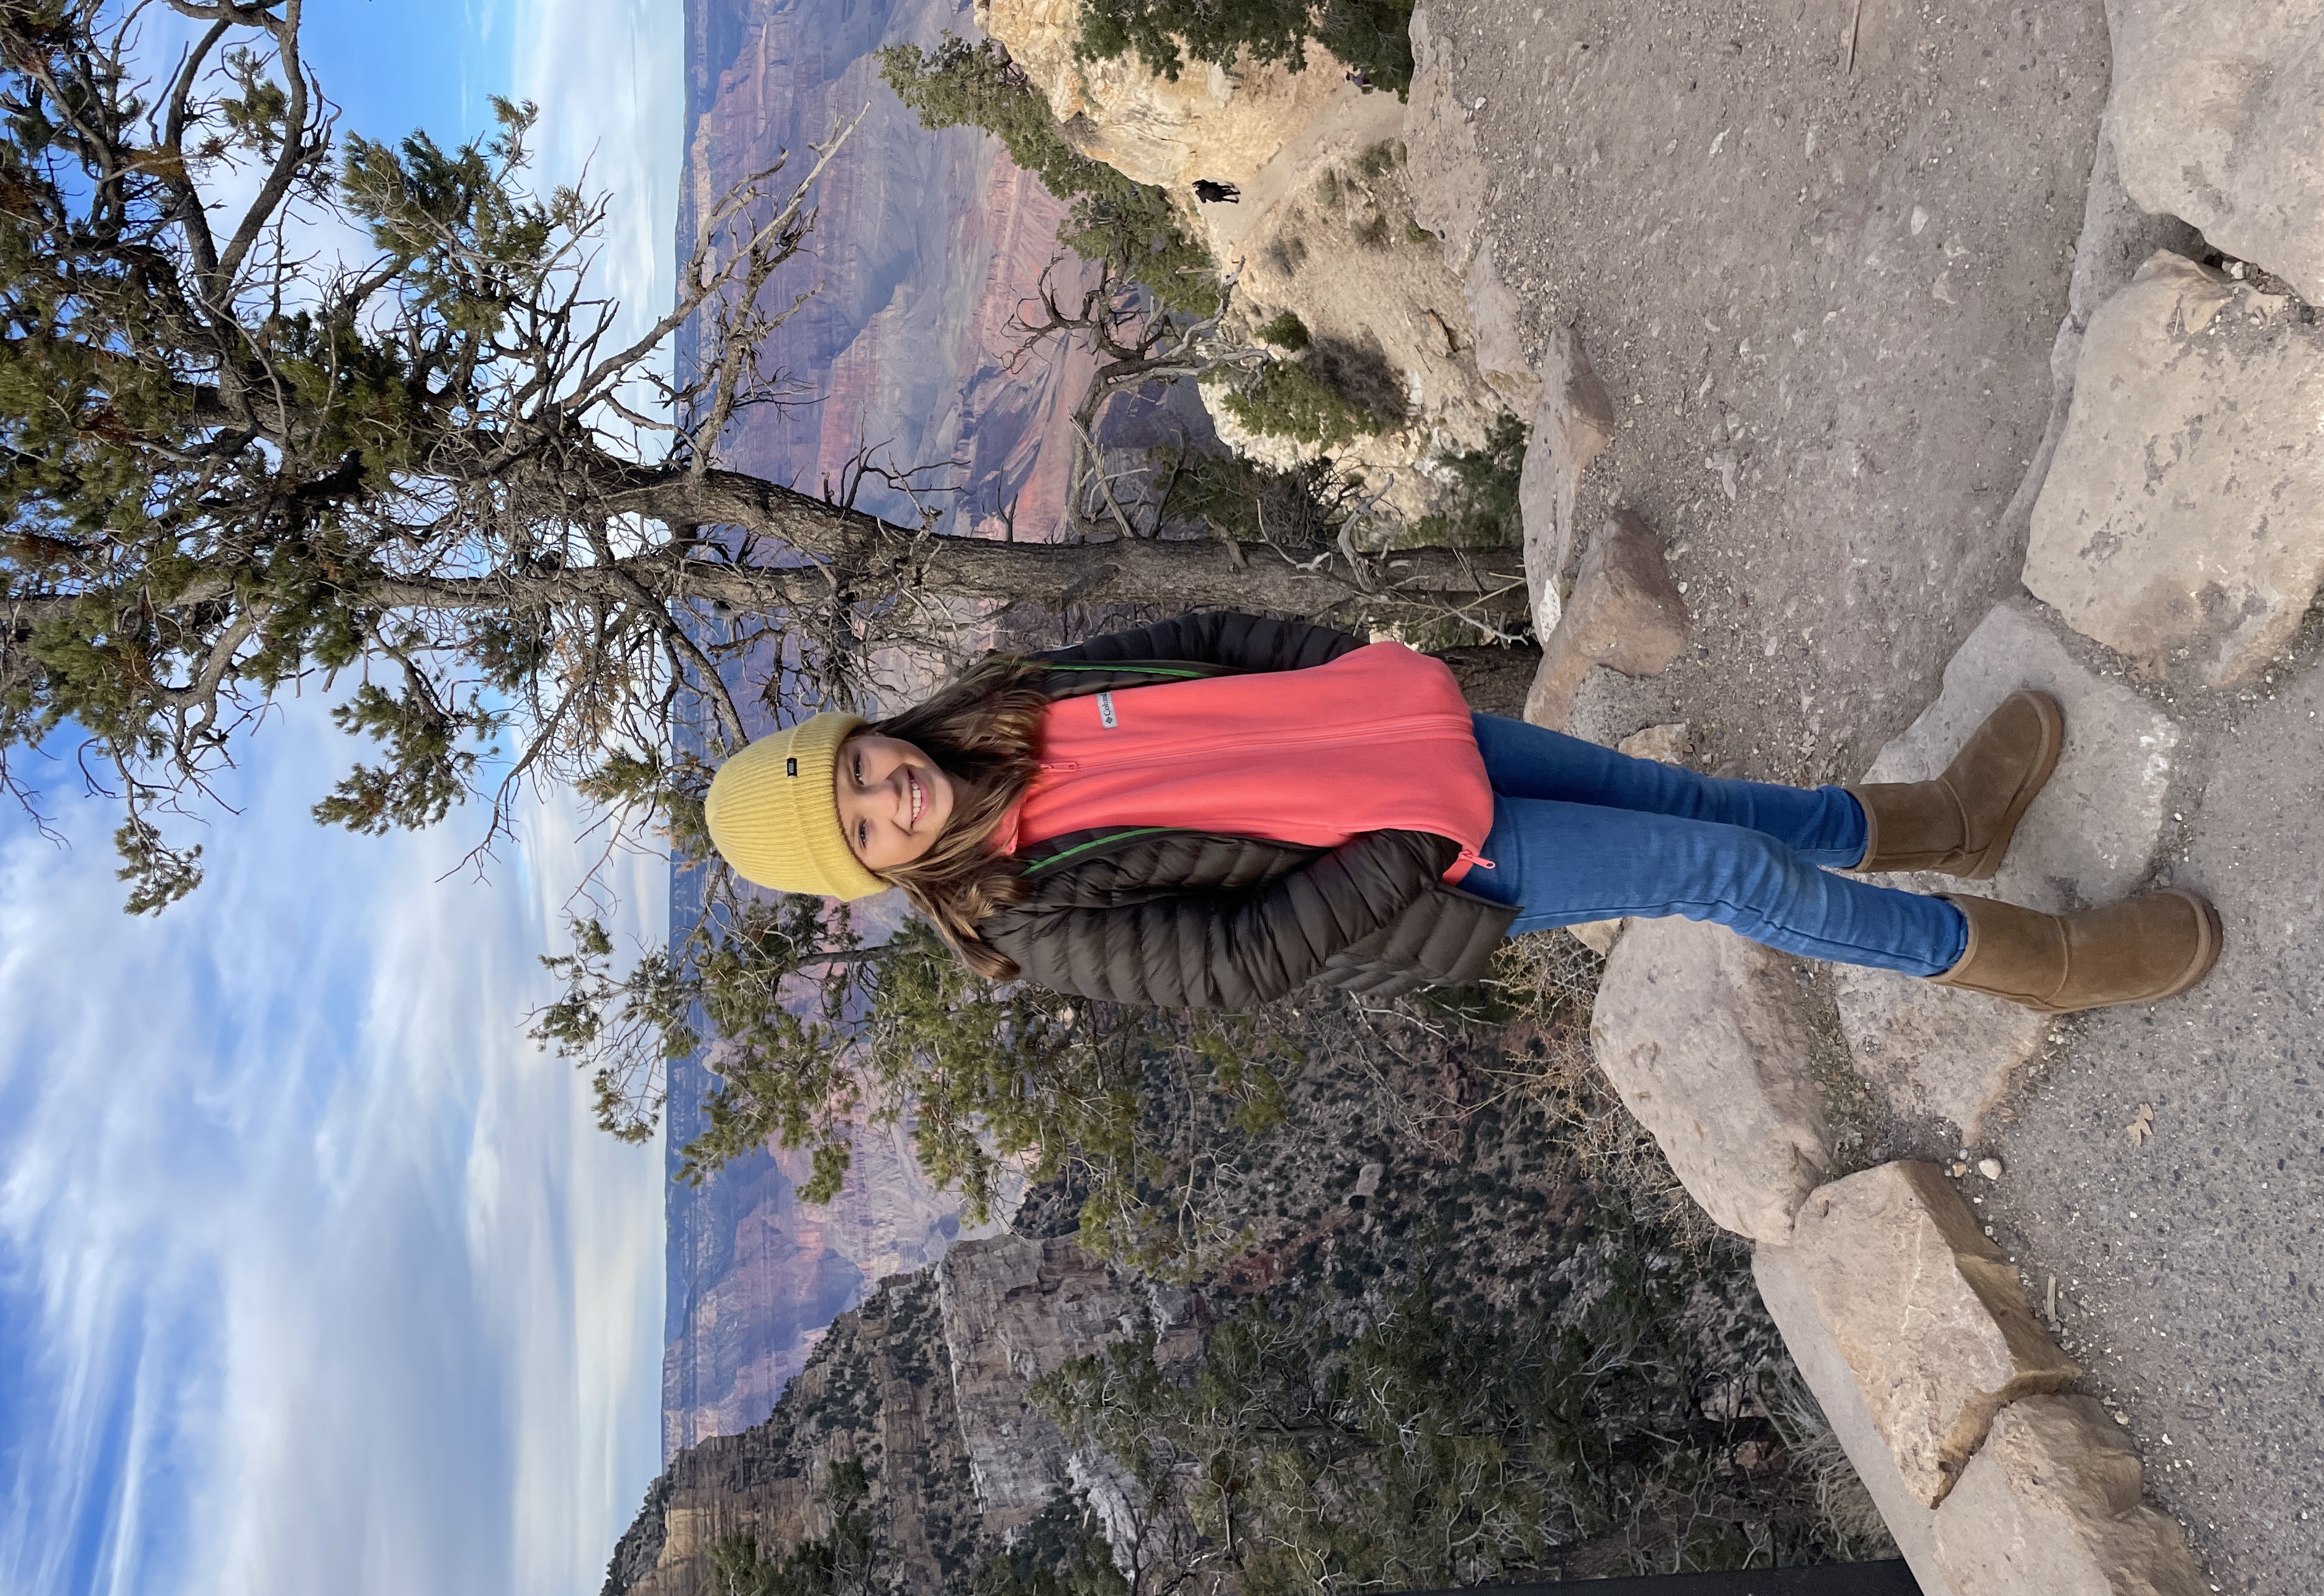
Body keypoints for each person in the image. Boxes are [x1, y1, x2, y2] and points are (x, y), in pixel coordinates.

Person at [700, 611, 2221, 1014]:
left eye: (856, 767)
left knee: (1691, 795)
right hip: (1441, 864)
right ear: (878, 871)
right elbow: (1237, 967)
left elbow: (1209, 640)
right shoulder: (1031, 921)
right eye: (866, 824)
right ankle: (2039, 962)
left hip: (1410, 738)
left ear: (868, 737)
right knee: (1716, 868)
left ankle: (1941, 817)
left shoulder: (1012, 700)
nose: (886, 794)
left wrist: (1351, 669)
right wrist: (1399, 851)